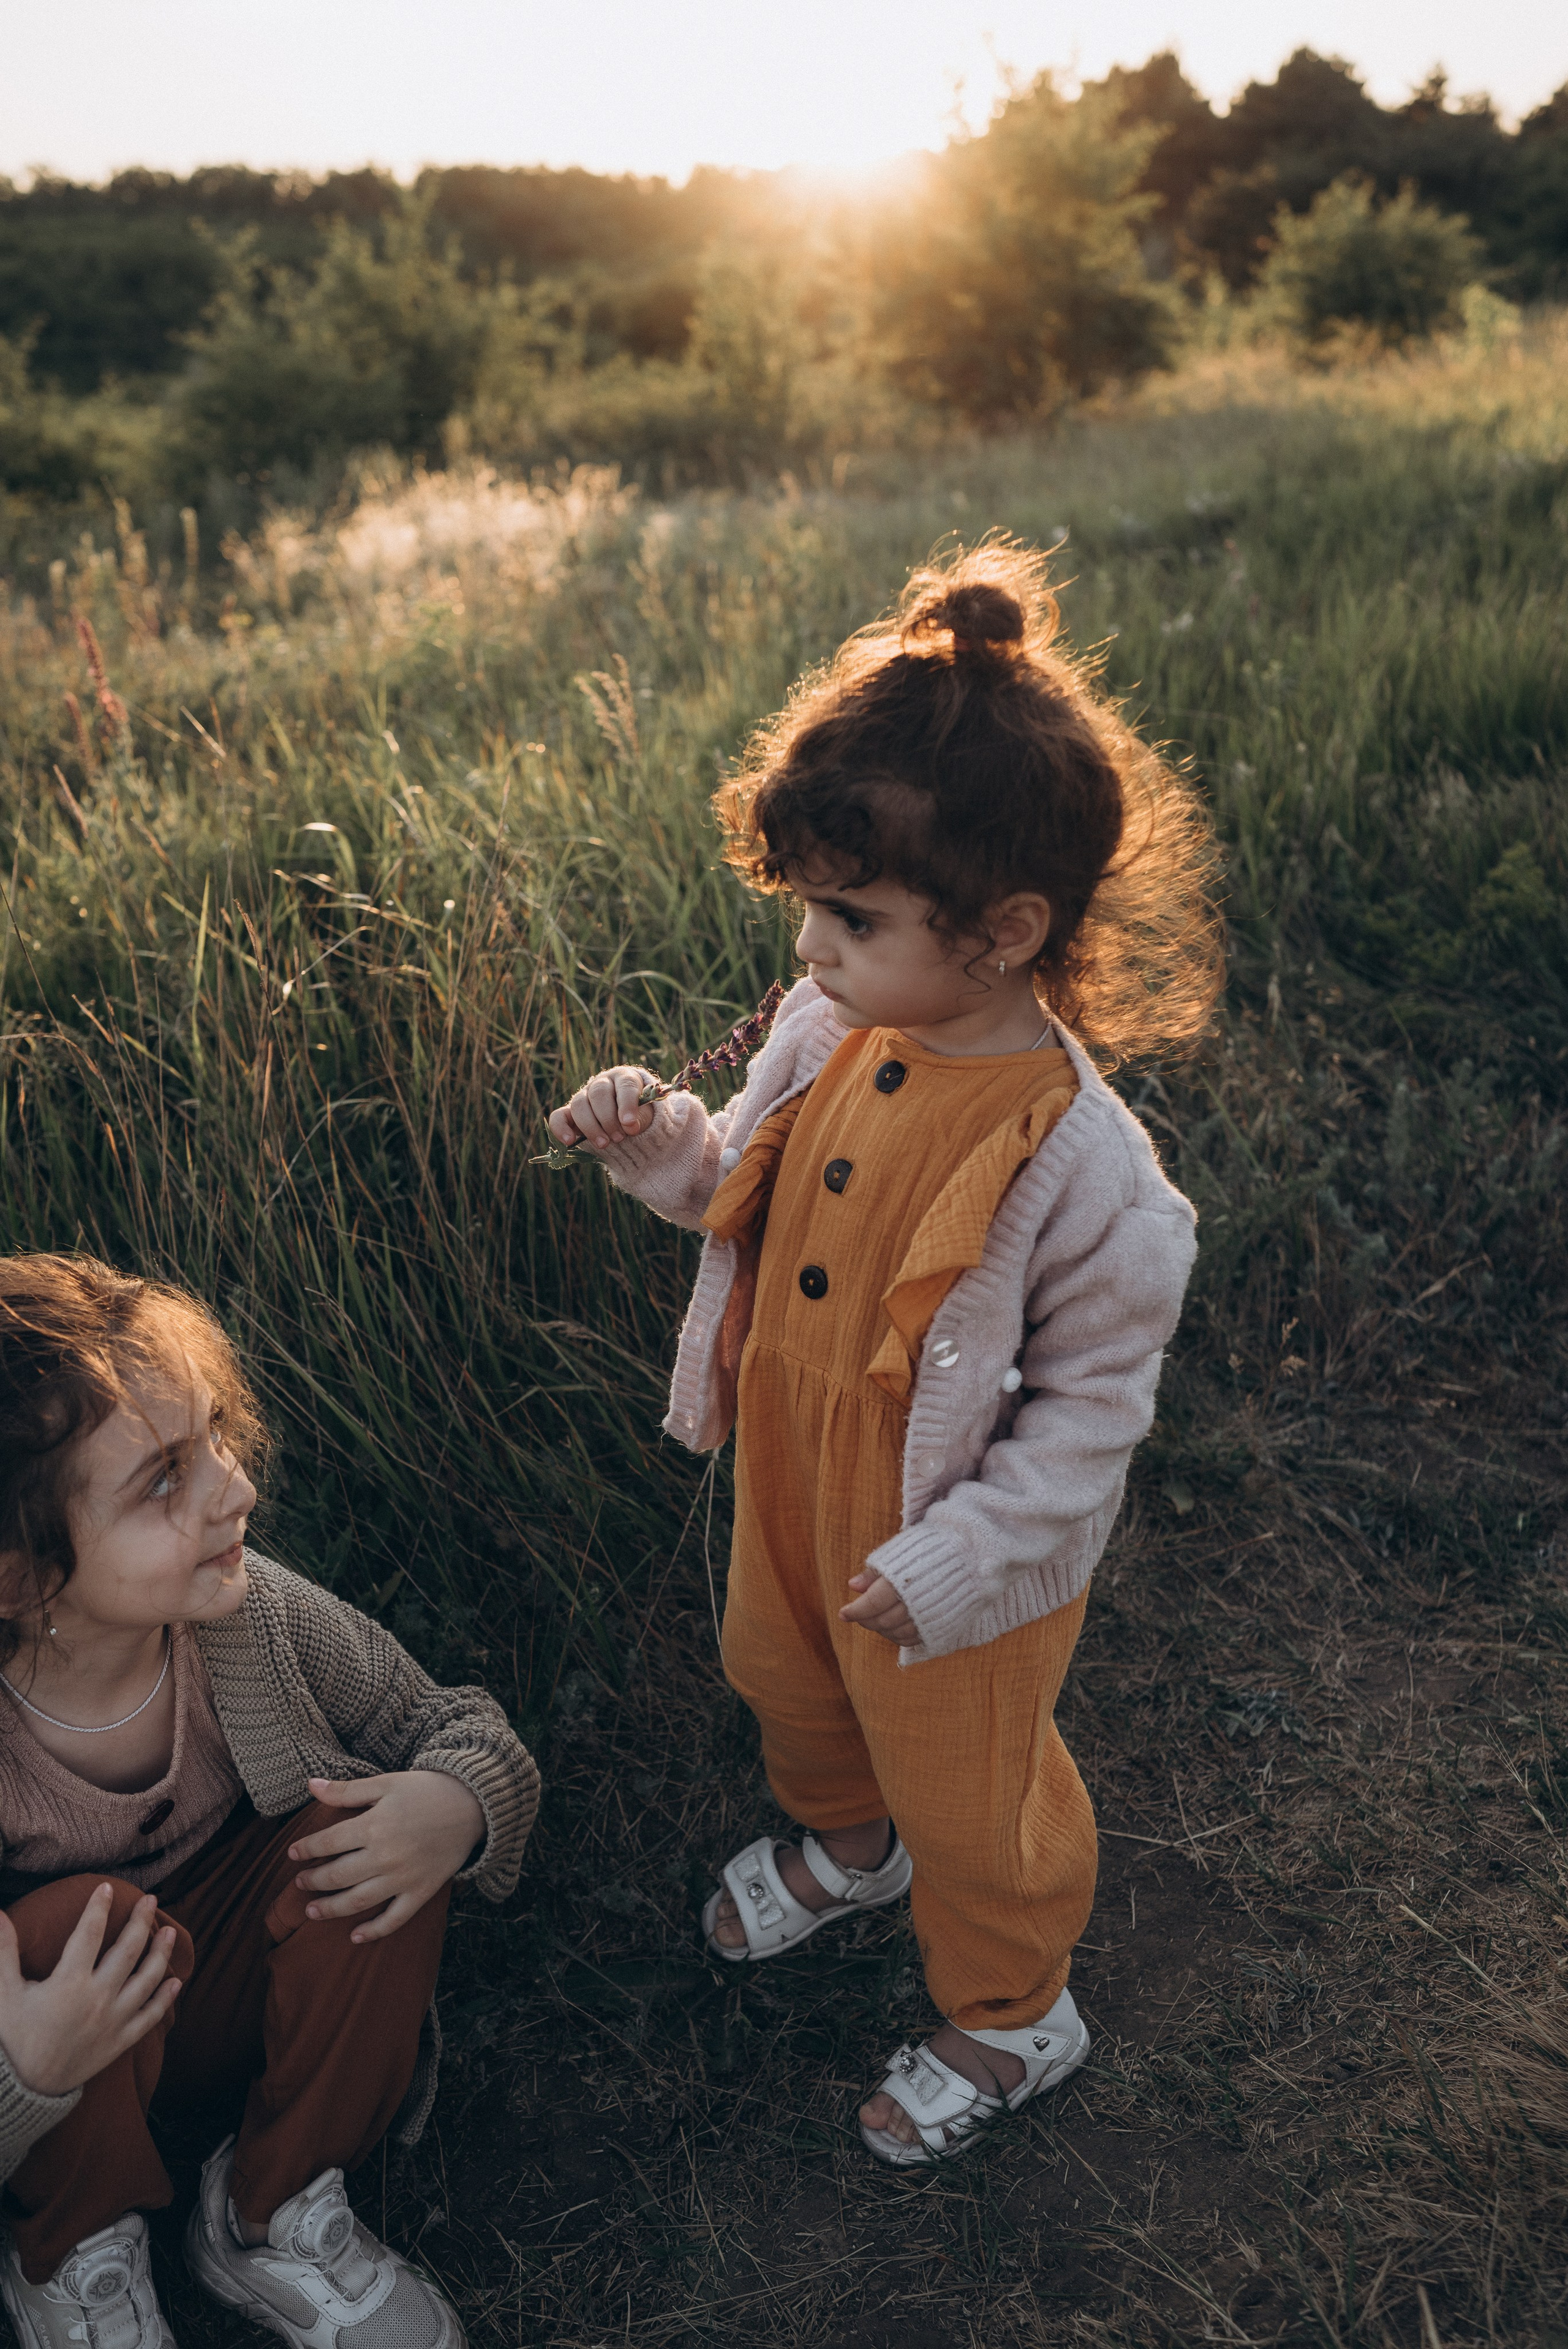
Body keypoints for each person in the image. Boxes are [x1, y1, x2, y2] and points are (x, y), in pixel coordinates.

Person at [548, 543, 1221, 2164]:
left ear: (1004, 931)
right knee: (781, 1677)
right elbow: (752, 1194)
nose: (808, 953)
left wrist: (965, 1554)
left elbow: (1084, 1423)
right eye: (806, 912)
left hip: (956, 1544)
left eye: (848, 916)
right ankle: (851, 1853)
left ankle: (1008, 2007)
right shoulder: (832, 1025)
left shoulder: (1096, 1177)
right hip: (791, 1453)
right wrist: (667, 1154)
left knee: (971, 1787)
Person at [0, 1253, 539, 2346]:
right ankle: (71, 2256)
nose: (236, 1489)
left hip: (237, 1987)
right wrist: (25, 2072)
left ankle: (270, 2208)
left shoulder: (248, 1617)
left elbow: (457, 1726)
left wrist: (457, 1804)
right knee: (71, 1924)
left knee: (365, 1829)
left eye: (216, 1440)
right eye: (166, 1479)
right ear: (20, 1576)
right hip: (63, 2059)